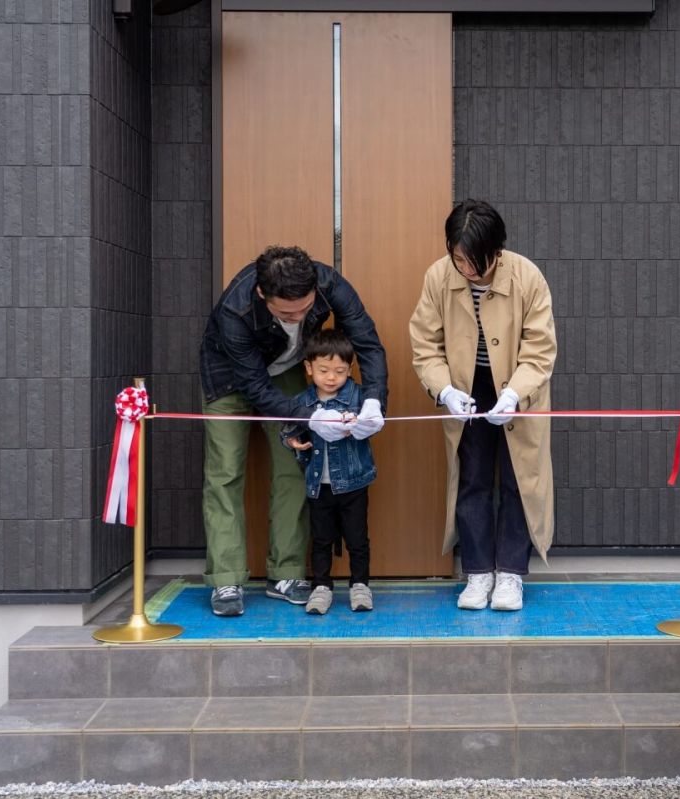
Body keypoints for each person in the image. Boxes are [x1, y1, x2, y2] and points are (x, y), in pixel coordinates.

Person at [200, 245, 387, 617]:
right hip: (229, 378)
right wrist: (311, 414)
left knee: (293, 463)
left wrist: (374, 400)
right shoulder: (234, 310)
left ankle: (284, 573)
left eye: (306, 308)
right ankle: (226, 576)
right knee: (225, 471)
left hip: (286, 370)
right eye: (287, 313)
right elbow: (254, 388)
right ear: (261, 294)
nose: (299, 316)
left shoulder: (330, 284)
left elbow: (366, 342)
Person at [409, 200, 557, 612]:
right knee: (472, 480)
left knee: (518, 481)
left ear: (498, 250)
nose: (467, 269)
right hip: (466, 391)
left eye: (476, 261)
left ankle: (510, 574)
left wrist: (515, 393)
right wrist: (443, 390)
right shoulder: (439, 277)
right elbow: (425, 344)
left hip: (517, 392)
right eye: (458, 258)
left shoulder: (527, 277)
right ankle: (477, 574)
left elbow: (540, 350)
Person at [282, 330, 377, 615]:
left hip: (353, 483)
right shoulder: (302, 400)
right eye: (323, 370)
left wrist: (360, 421)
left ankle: (360, 585)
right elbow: (287, 429)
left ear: (351, 368)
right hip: (317, 485)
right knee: (321, 539)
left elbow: (373, 421)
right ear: (309, 368)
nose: (332, 377)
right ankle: (321, 586)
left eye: (340, 371)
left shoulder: (359, 396)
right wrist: (292, 441)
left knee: (357, 539)